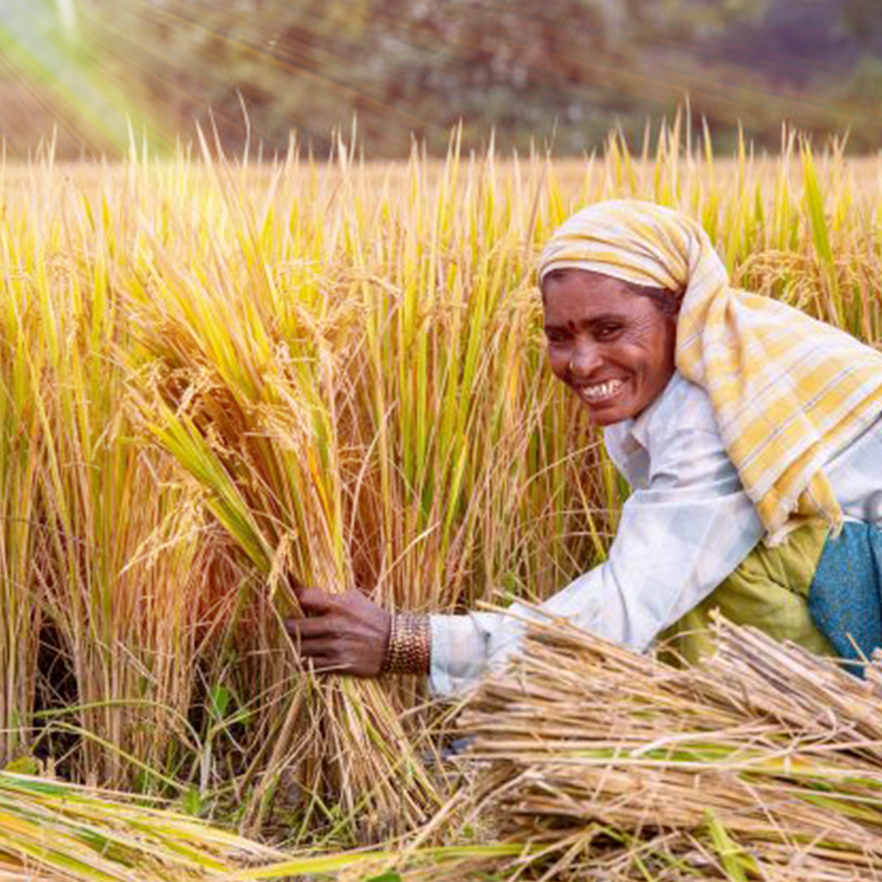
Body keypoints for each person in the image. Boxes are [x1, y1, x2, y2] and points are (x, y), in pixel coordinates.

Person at [285, 200, 882, 695]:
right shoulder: (717, 363)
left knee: (716, 579)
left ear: (680, 310)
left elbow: (626, 606)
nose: (583, 362)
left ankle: (790, 756)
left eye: (609, 329)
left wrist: (407, 641)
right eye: (559, 336)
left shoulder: (719, 415)